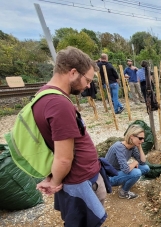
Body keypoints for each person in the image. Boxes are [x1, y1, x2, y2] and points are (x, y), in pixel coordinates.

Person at [35, 46, 107, 226]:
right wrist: (55, 182)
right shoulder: (59, 104)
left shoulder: (44, 95)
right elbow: (64, 158)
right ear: (73, 72)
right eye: (87, 80)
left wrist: (53, 177)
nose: (88, 85)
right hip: (80, 180)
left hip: (79, 178)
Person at [105, 124, 150, 199]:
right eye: (140, 138)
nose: (143, 141)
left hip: (119, 170)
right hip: (109, 178)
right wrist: (134, 163)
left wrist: (140, 147)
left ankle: (127, 182)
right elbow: (126, 169)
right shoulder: (119, 147)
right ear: (132, 136)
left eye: (143, 139)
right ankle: (123, 192)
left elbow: (143, 162)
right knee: (137, 172)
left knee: (146, 168)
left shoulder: (132, 146)